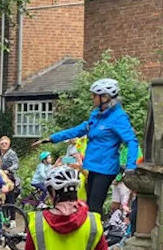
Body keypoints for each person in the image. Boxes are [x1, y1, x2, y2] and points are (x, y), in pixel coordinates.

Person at [40, 78, 139, 214]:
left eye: (94, 95)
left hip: (105, 168)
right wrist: (53, 138)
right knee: (88, 206)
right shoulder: (97, 115)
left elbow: (132, 141)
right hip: (92, 166)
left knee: (94, 207)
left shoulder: (118, 117)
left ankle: (96, 233)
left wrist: (131, 167)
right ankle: (89, 231)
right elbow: (78, 130)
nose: (92, 98)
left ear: (105, 97)